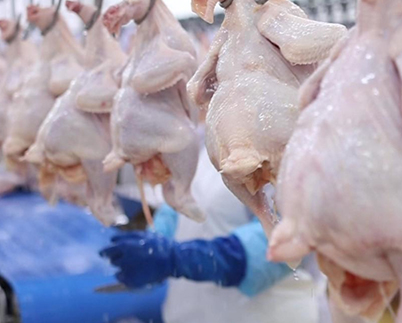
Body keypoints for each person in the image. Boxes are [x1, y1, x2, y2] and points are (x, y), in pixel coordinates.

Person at [100, 131, 323, 323]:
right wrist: (153, 243)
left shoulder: (287, 150)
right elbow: (177, 209)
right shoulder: (203, 146)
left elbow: (280, 245)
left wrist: (178, 259)